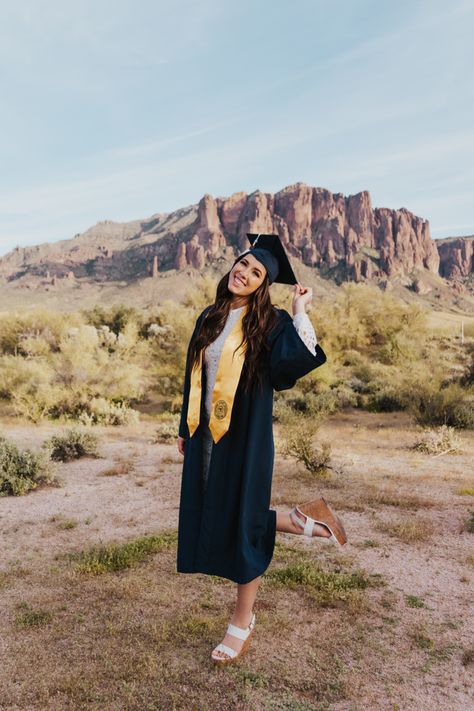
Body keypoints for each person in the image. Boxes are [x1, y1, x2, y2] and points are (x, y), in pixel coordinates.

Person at [176, 232, 347, 665]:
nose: (244, 273)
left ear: (263, 284)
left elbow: (294, 362)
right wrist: (183, 426)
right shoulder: (209, 317)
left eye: (255, 272)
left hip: (245, 435)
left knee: (246, 521)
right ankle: (305, 519)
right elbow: (193, 374)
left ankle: (241, 623)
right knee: (230, 512)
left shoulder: (269, 322)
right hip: (205, 434)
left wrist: (299, 311)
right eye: (243, 263)